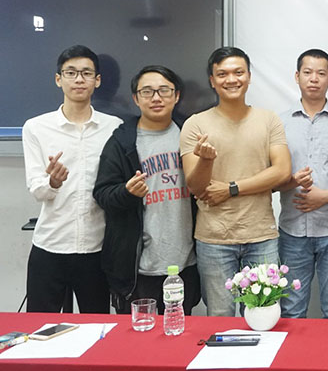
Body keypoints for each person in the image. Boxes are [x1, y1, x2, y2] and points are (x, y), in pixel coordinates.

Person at [180, 47, 291, 316]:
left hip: (262, 235)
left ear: (249, 76)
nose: (231, 79)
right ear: (212, 80)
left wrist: (232, 189)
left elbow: (282, 171)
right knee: (220, 317)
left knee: (263, 315)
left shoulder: (268, 119)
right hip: (214, 238)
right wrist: (206, 161)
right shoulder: (195, 124)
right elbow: (195, 187)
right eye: (223, 74)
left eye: (238, 72)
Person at [93, 65, 201, 315]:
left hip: (185, 261)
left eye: (164, 90)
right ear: (135, 98)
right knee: (139, 334)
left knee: (178, 330)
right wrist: (127, 193)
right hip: (137, 266)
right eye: (147, 91)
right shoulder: (121, 142)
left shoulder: (191, 135)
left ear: (176, 96)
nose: (156, 97)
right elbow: (102, 194)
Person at [22, 45, 122, 313]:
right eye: (71, 73)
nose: (79, 79)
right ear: (59, 79)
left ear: (97, 80)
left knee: (98, 326)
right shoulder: (36, 128)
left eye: (86, 73)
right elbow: (36, 189)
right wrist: (52, 183)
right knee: (40, 327)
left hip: (96, 247)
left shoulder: (113, 127)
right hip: (51, 245)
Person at [277, 49, 328, 319]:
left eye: (321, 73)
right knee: (291, 309)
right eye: (308, 72)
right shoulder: (279, 123)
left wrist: (327, 196)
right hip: (292, 229)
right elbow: (270, 173)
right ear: (297, 76)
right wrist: (290, 181)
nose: (314, 79)